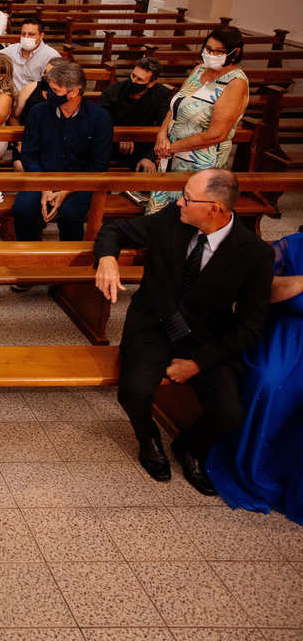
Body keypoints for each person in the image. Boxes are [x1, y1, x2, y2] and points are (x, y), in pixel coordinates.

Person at [95, 168, 273, 495]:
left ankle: (190, 446)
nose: (179, 202)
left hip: (206, 338)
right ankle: (149, 439)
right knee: (134, 390)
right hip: (153, 324)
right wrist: (107, 258)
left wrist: (198, 363)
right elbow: (115, 228)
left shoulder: (255, 254)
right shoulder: (172, 220)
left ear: (215, 209)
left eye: (188, 199)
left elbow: (249, 327)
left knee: (229, 413)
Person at [206, 231, 303, 522]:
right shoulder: (290, 246)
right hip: (284, 331)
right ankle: (253, 463)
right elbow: (260, 290)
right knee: (272, 382)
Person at [146, 27, 250, 213]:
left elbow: (216, 135)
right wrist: (162, 135)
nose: (210, 54)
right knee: (159, 216)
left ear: (236, 53)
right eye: (207, 48)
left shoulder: (235, 83)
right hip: (170, 156)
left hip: (200, 164)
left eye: (217, 51)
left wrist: (171, 147)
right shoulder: (199, 69)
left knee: (187, 216)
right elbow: (175, 107)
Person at [13, 60, 113, 246]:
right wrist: (44, 187)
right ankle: (28, 254)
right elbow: (29, 155)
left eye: (56, 91)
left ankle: (70, 262)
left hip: (80, 179)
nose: (49, 94)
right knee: (22, 208)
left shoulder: (99, 118)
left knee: (70, 214)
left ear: (74, 92)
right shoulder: (39, 112)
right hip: (43, 175)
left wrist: (66, 191)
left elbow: (98, 166)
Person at [98, 57, 172, 172]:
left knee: (147, 170)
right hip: (111, 141)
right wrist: (122, 135)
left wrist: (150, 157)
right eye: (133, 76)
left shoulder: (162, 94)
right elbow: (100, 124)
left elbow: (164, 127)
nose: (133, 81)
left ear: (152, 83)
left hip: (141, 144)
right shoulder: (111, 92)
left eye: (140, 80)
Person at [0, 19, 63, 91]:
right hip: (13, 96)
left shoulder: (51, 56)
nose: (26, 37)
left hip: (37, 99)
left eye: (31, 34)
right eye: (23, 34)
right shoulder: (12, 49)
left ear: (41, 36)